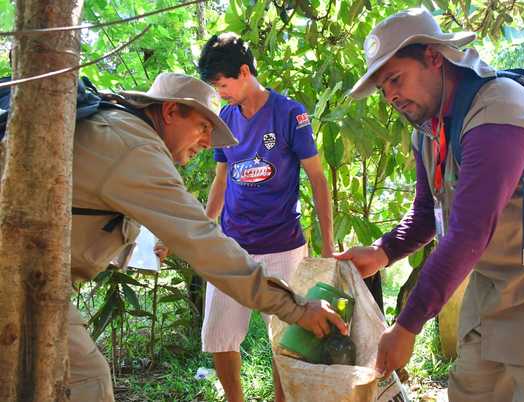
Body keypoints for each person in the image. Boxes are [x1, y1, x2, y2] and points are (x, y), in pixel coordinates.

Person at [336, 8, 524, 401]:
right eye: (383, 88)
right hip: (494, 295)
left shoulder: (499, 116)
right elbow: (428, 213)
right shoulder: (429, 128)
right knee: (470, 391)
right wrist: (382, 252)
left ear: (434, 58)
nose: (391, 95)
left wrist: (406, 327)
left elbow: (467, 234)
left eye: (395, 79)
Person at [68, 72, 345, 402]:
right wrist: (299, 308)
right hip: (26, 281)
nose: (206, 143)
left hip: (36, 279)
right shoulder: (135, 148)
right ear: (170, 112)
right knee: (88, 384)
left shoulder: (117, 129)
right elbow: (207, 246)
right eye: (202, 127)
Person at [192, 32, 334, 402]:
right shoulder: (225, 117)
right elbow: (220, 180)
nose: (220, 93)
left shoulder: (291, 113)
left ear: (243, 72)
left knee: (285, 337)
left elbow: (318, 179)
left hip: (283, 245)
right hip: (232, 247)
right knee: (220, 335)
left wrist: (329, 243)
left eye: (223, 85)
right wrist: (207, 230)